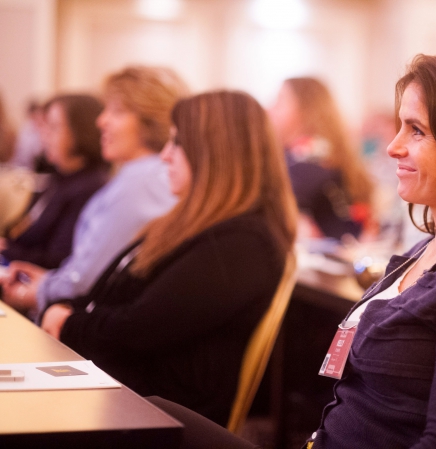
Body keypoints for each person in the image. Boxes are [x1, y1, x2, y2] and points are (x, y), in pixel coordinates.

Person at [153, 53, 436, 449]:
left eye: (416, 130)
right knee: (153, 415)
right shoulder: (431, 250)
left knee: (151, 427)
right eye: (399, 127)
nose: (392, 147)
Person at [40, 89, 298, 425]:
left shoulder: (241, 244)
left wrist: (67, 322)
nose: (164, 156)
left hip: (159, 415)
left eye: (176, 143)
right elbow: (116, 299)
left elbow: (139, 329)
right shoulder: (191, 225)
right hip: (129, 394)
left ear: (214, 153)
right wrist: (67, 312)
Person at [1, 66, 183, 319]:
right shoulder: (137, 178)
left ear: (149, 122)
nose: (101, 121)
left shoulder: (141, 184)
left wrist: (33, 291)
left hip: (86, 324)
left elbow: (87, 282)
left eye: (117, 112)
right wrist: (49, 279)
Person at [1, 95, 109, 268]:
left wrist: (8, 250)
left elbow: (58, 260)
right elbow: (27, 230)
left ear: (79, 131)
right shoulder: (60, 178)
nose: (44, 135)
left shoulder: (89, 187)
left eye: (53, 127)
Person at [269, 77, 373, 240]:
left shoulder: (308, 157)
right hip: (345, 250)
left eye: (280, 102)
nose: (270, 109)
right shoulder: (329, 151)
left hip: (331, 256)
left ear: (306, 110)